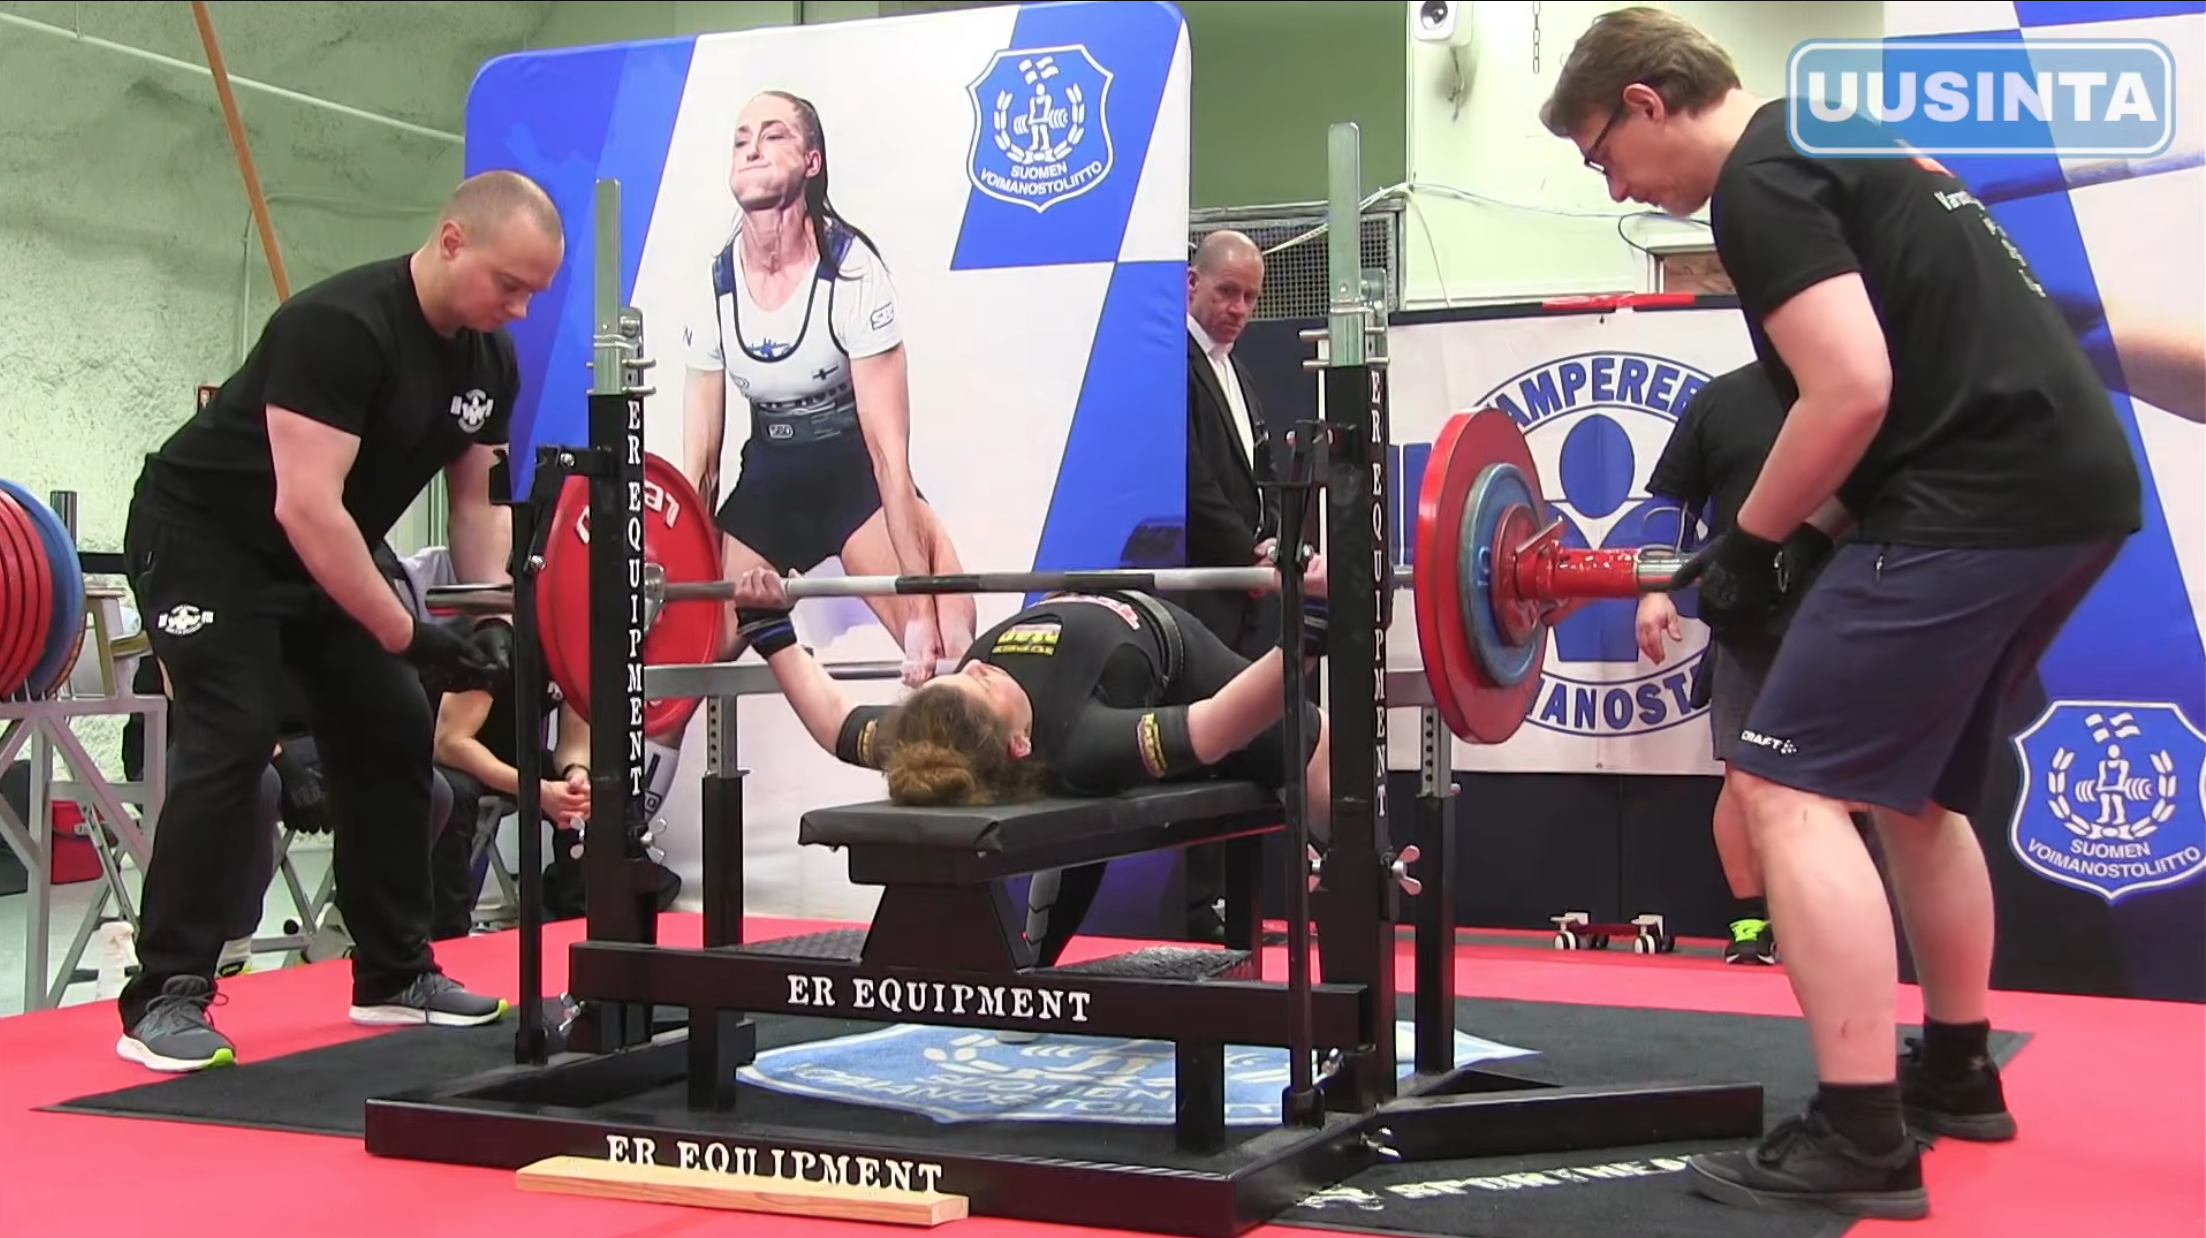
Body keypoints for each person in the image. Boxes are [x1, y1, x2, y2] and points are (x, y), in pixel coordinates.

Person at [1543, 8, 2143, 1219]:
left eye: (1603, 154)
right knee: (1913, 796)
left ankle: (1860, 1130)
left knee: (1785, 784)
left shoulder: (1760, 178)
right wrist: (1784, 533)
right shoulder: (1850, 141)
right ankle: (1957, 1070)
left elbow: (1851, 388)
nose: (1615, 185)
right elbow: (1907, 376)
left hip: (1971, 497)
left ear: (1647, 100)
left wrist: (1748, 543)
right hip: (2069, 492)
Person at [113, 169, 565, 1073]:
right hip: (207, 541)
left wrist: (489, 614)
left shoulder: (489, 361)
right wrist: (407, 633)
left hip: (322, 552)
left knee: (394, 723)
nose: (518, 310)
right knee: (234, 735)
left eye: (532, 293)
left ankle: (394, 974)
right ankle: (165, 992)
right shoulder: (337, 327)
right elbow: (306, 506)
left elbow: (475, 504)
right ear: (451, 242)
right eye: (508, 285)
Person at [722, 555, 1333, 968]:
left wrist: (768, 625)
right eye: (983, 685)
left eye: (965, 673)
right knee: (1316, 754)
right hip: (1177, 655)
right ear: (1018, 744)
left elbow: (834, 722)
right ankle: (1354, 876)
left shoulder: (923, 730)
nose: (980, 667)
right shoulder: (1080, 740)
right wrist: (1309, 629)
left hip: (1090, 596)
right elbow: (1214, 726)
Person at [681, 89, 975, 687]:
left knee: (948, 643)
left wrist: (919, 612)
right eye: (740, 140)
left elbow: (888, 454)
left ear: (812, 162)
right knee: (693, 647)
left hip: (852, 473)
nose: (752, 149)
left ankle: (936, 605)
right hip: (771, 478)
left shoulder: (852, 270)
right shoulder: (715, 286)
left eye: (773, 135)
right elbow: (700, 469)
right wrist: (681, 592)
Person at [1638, 360, 1846, 966]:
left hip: (1852, 613)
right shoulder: (1721, 400)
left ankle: (1825, 919)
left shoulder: (1865, 388)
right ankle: (1751, 922)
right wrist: (1654, 588)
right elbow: (1672, 504)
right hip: (1747, 615)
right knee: (1745, 776)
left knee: (1847, 781)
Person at [1180, 229, 1280, 943]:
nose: (1239, 309)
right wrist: (1249, 552)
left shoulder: (1238, 374)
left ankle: (1231, 902)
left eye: (1249, 297)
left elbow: (1256, 479)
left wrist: (1273, 543)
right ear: (1191, 284)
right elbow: (1190, 483)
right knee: (1202, 742)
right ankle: (1197, 905)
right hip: (1202, 592)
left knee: (1244, 742)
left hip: (1245, 592)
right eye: (1226, 292)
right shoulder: (1170, 367)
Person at [430, 651, 592, 935]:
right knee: (455, 795)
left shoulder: (570, 650)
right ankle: (448, 933)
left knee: (586, 794)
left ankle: (579, 921)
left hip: (511, 753)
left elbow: (574, 739)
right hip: (451, 756)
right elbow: (449, 743)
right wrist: (535, 790)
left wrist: (576, 773)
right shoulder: (495, 644)